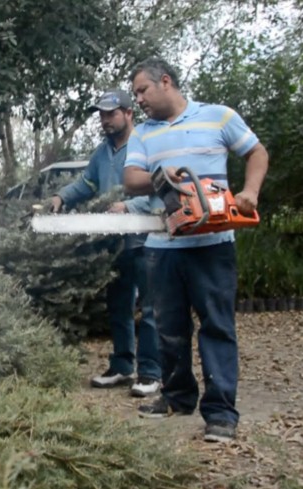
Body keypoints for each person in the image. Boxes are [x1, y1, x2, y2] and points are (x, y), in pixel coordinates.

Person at [124, 58, 268, 443]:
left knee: (217, 326)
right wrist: (160, 176)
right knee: (169, 329)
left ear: (165, 82)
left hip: (213, 243)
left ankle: (221, 412)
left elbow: (257, 153)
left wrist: (249, 192)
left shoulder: (219, 117)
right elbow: (131, 179)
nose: (138, 99)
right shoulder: (143, 134)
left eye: (142, 90)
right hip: (163, 245)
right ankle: (176, 396)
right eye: (135, 93)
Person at [51, 89, 161, 397]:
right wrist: (62, 196)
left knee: (151, 307)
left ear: (129, 114)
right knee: (118, 304)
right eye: (101, 114)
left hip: (146, 237)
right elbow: (86, 184)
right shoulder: (102, 153)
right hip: (114, 241)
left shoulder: (146, 146)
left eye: (111, 113)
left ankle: (151, 372)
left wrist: (129, 206)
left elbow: (160, 188)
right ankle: (123, 366)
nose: (105, 120)